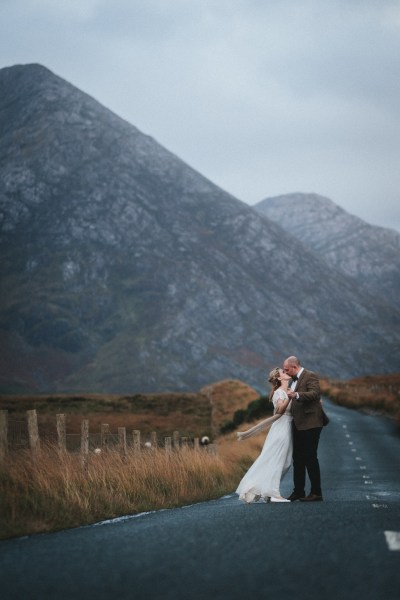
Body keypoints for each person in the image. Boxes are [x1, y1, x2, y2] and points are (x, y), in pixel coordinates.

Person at [235, 367, 293, 503]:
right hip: (281, 429)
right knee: (278, 460)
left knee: (286, 462)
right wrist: (289, 399)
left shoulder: (287, 391)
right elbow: (280, 410)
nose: (286, 372)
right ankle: (274, 494)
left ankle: (267, 491)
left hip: (288, 428)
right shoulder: (279, 393)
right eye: (283, 372)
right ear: (279, 378)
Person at [283, 355, 324, 502]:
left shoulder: (310, 375)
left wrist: (296, 394)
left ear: (295, 367)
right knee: (298, 459)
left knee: (310, 457)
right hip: (298, 423)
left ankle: (316, 492)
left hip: (311, 423)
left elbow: (315, 394)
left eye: (287, 369)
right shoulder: (292, 380)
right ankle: (298, 491)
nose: (285, 372)